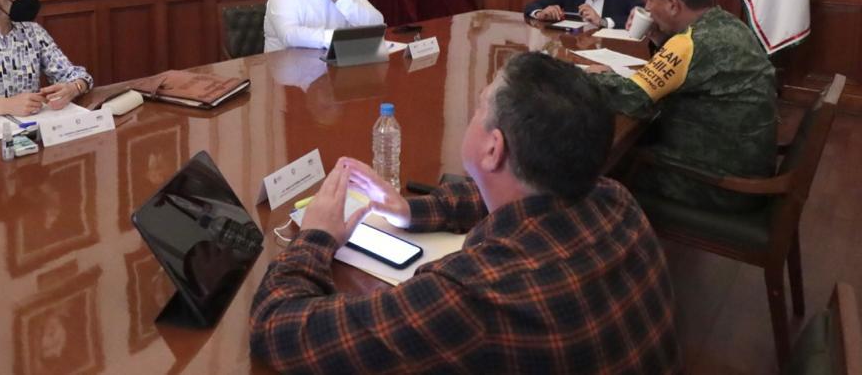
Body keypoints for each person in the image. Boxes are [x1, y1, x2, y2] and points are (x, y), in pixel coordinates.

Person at [250, 53, 679, 373]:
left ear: (493, 148)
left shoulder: (472, 296)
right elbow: (492, 199)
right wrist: (408, 210)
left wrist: (316, 238)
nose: (471, 115)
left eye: (479, 106)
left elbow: (277, 328)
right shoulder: (616, 199)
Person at [589, 0, 777, 211]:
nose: (645, 7)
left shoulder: (690, 44)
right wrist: (657, 35)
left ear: (672, 5)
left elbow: (631, 98)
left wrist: (580, 75)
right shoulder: (725, 23)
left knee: (600, 166)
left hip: (720, 184)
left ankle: (615, 241)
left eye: (649, 0)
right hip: (743, 165)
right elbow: (676, 75)